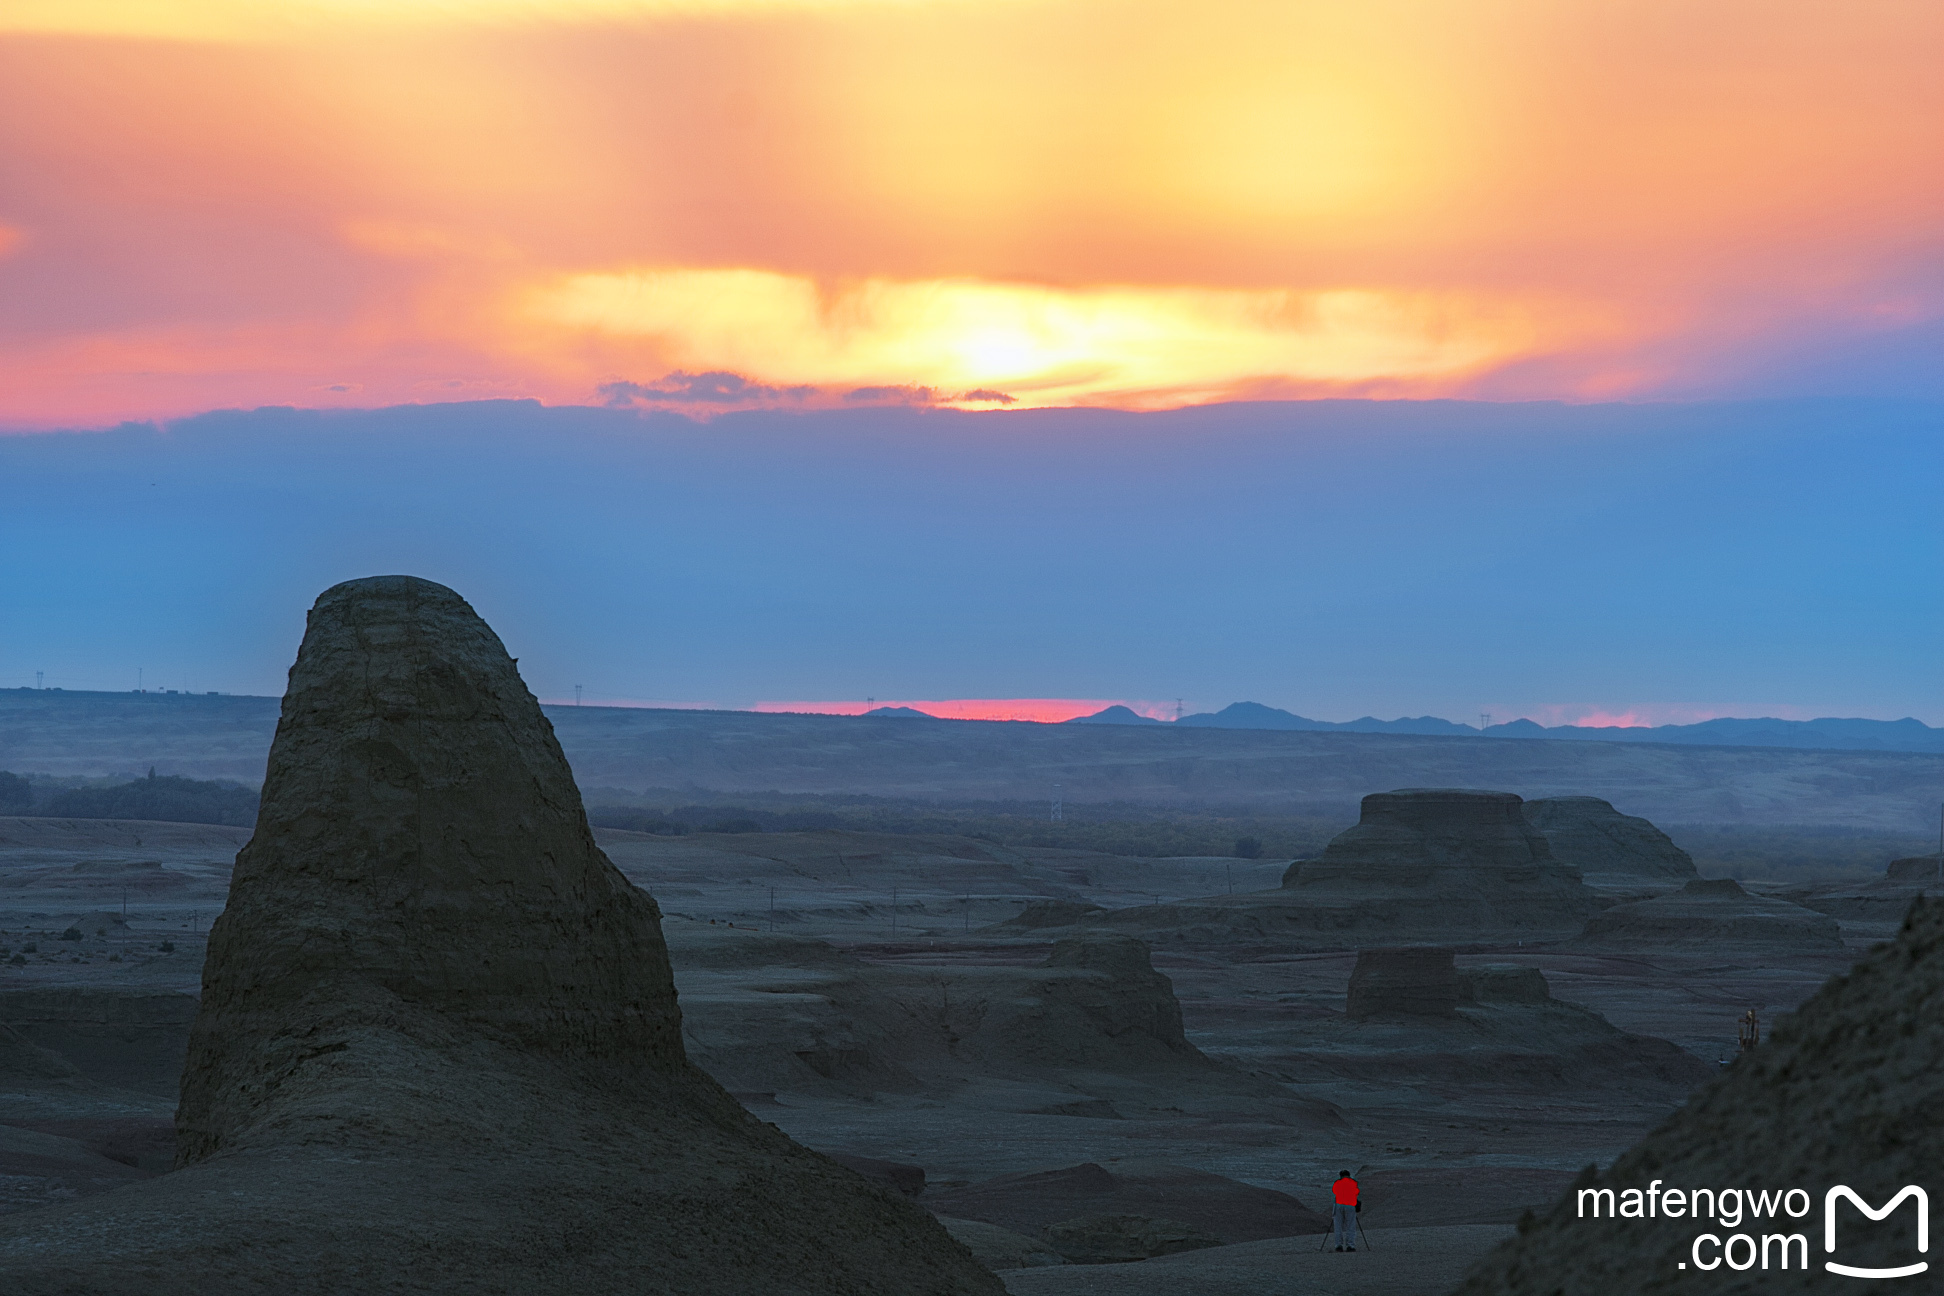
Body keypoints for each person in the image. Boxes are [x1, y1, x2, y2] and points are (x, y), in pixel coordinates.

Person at [1331, 1171, 1360, 1251]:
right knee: (1350, 1225)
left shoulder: (1337, 1182)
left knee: (1338, 1226)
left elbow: (1334, 1191)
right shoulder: (1353, 1182)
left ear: (1341, 1176)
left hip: (1338, 1205)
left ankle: (1338, 1245)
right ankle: (1350, 1245)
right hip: (1350, 1205)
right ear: (1349, 1175)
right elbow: (1357, 1192)